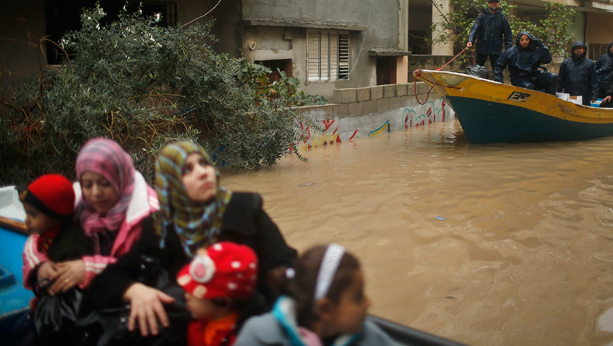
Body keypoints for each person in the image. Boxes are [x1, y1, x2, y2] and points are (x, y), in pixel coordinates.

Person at [88, 140, 297, 340]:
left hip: (251, 328)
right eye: (187, 170)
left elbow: (283, 265)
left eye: (203, 163)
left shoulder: (245, 208)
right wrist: (133, 290)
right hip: (191, 334)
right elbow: (107, 281)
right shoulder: (159, 228)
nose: (203, 172)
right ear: (172, 184)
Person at [33, 138, 159, 295]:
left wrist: (89, 269)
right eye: (87, 185)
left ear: (119, 177)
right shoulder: (76, 200)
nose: (95, 193)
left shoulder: (147, 213)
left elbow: (144, 265)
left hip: (128, 297)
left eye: (105, 183)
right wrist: (40, 265)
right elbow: (37, 234)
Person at [235, 244, 398, 346]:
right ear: (325, 308)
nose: (368, 302)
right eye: (357, 297)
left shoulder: (371, 337)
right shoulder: (258, 336)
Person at [16, 174, 93, 346]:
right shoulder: (47, 236)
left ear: (54, 216)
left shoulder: (69, 248)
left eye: (33, 215)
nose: (26, 220)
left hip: (69, 323)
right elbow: (33, 242)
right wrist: (39, 266)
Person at [177, 242, 260, 346]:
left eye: (195, 293)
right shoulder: (198, 322)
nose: (186, 296)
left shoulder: (242, 340)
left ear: (222, 302)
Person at [493, 31, 558, 95]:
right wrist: (499, 82)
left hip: (535, 76)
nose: (524, 42)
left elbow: (547, 60)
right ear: (518, 40)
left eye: (527, 39)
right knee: (528, 86)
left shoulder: (535, 50)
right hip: (520, 78)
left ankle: (551, 100)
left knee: (552, 77)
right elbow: (498, 66)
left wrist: (541, 45)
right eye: (522, 40)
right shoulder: (510, 52)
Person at [466, 0, 513, 70]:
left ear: (499, 4)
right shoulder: (482, 16)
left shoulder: (502, 18)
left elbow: (508, 35)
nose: (494, 4)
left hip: (496, 49)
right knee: (476, 69)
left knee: (497, 70)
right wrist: (470, 40)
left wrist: (509, 50)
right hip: (482, 47)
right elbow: (475, 28)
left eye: (495, 2)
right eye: (492, 2)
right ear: (488, 4)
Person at [558, 42, 598, 106]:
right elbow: (560, 79)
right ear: (573, 50)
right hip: (569, 93)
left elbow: (594, 81)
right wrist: (558, 93)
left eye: (580, 48)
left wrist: (594, 96)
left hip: (584, 95)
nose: (578, 50)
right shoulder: (566, 63)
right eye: (576, 49)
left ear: (584, 50)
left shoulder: (589, 64)